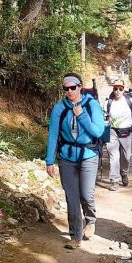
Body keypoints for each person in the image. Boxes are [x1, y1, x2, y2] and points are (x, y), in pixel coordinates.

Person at [45, 73, 106, 249]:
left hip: (88, 155)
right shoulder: (59, 108)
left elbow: (97, 132)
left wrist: (81, 116)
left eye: (73, 87)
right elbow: (53, 135)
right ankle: (75, 236)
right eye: (66, 88)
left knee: (86, 195)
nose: (70, 91)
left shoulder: (92, 105)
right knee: (72, 198)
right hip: (66, 157)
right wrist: (49, 160)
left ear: (80, 87)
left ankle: (91, 219)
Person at [105, 78, 132, 191]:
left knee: (126, 156)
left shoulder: (130, 101)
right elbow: (104, 118)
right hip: (113, 132)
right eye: (115, 88)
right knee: (114, 156)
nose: (117, 91)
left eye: (120, 89)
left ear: (123, 89)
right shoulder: (108, 102)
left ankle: (124, 173)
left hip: (126, 132)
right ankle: (114, 180)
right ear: (113, 89)